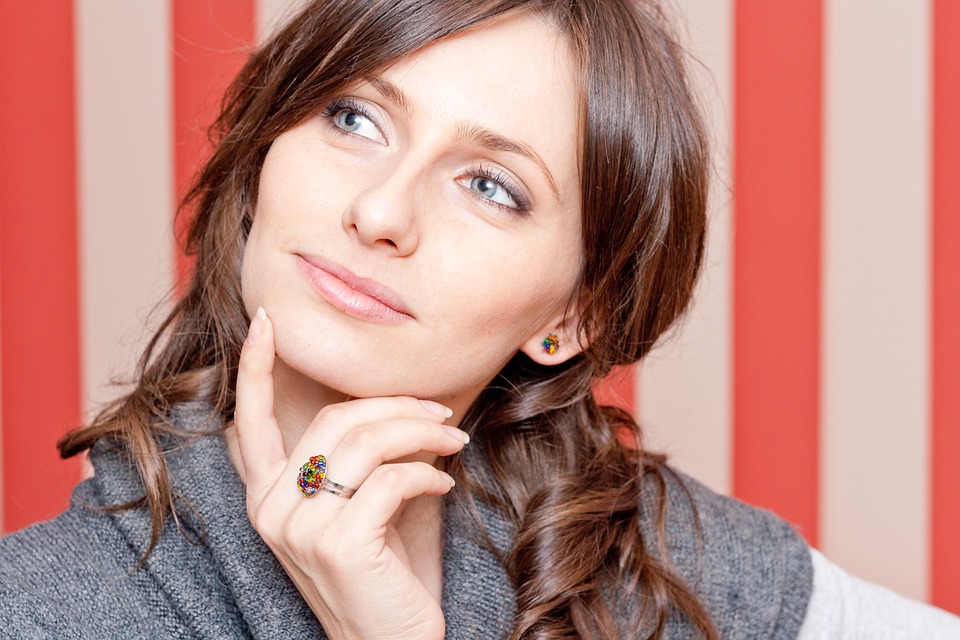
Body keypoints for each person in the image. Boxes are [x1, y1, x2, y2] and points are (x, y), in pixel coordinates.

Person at [0, 0, 957, 638]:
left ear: (573, 316)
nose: (380, 211)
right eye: (354, 119)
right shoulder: (41, 610)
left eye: (490, 186)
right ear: (263, 159)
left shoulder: (681, 572)